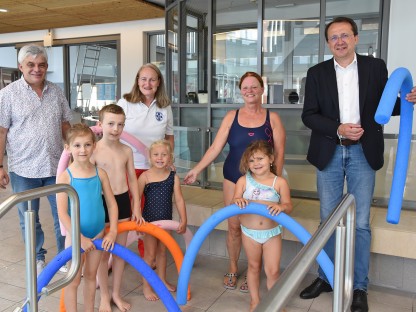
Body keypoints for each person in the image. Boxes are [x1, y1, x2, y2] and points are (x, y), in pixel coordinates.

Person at [299, 16, 416, 312]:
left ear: (355, 38)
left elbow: (386, 108)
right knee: (328, 220)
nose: (339, 41)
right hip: (330, 150)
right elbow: (309, 115)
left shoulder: (376, 68)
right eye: (333, 37)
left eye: (344, 35)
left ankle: (360, 285)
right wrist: (338, 127)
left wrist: (409, 100)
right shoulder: (316, 73)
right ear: (328, 43)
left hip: (364, 153)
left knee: (361, 223)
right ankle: (326, 277)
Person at [183, 71, 286, 292]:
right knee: (234, 226)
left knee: (256, 227)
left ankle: (253, 271)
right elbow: (215, 148)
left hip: (261, 181)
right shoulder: (232, 116)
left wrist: (274, 183)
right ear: (241, 91)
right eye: (245, 87)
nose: (250, 91)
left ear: (261, 89)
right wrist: (197, 170)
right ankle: (232, 267)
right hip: (233, 177)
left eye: (254, 87)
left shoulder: (273, 119)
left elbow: (279, 153)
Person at [0, 44, 72, 274]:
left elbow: (66, 126)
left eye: (41, 64)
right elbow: (1, 132)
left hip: (55, 166)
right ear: (21, 66)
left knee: (63, 214)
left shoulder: (57, 92)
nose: (36, 69)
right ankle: (37, 257)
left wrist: (76, 154)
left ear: (47, 67)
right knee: (29, 219)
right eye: (31, 64)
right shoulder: (7, 95)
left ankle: (65, 256)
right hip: (23, 169)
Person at [57, 123, 118, 311]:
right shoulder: (65, 178)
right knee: (73, 280)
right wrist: (80, 238)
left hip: (98, 233)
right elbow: (62, 213)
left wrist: (112, 231)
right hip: (76, 237)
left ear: (94, 145)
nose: (82, 150)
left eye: (87, 145)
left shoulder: (101, 174)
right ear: (68, 148)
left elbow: (111, 204)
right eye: (77, 145)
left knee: (91, 276)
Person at [91, 104, 144, 312]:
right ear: (100, 124)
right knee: (103, 253)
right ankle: (104, 295)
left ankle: (116, 294)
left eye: (120, 124)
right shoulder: (93, 150)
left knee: (120, 252)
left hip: (122, 202)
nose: (115, 129)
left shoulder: (126, 150)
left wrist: (136, 208)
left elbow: (132, 180)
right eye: (111, 123)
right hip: (101, 202)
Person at [117, 63, 174, 258]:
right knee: (127, 214)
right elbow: (111, 129)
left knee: (149, 214)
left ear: (159, 83)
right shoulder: (125, 103)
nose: (147, 83)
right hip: (128, 169)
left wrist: (168, 160)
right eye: (143, 79)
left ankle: (146, 258)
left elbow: (169, 137)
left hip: (154, 171)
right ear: (137, 81)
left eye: (152, 79)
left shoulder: (164, 107)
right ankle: (113, 256)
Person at [233, 140, 292, 312]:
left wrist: (281, 206)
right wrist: (238, 200)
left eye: (260, 159)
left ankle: (276, 302)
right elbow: (234, 202)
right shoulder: (243, 181)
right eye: (251, 160)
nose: (256, 163)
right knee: (253, 267)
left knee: (273, 271)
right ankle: (255, 300)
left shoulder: (279, 182)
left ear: (271, 159)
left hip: (271, 233)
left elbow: (288, 206)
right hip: (249, 233)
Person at [138, 139, 187, 301]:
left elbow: (179, 199)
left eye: (164, 155)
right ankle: (146, 287)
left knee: (162, 252)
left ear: (170, 157)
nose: (160, 158)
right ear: (150, 157)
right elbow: (136, 200)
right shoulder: (145, 177)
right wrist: (137, 219)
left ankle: (162, 280)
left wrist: (183, 219)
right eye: (156, 155)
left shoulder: (173, 177)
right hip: (149, 223)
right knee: (150, 255)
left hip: (166, 221)